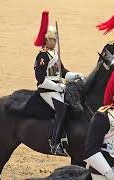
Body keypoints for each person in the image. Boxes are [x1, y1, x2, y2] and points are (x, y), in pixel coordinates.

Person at [33, 11, 83, 155]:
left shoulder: (54, 54)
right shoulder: (42, 55)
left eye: (55, 40)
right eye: (52, 40)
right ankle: (54, 142)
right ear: (46, 40)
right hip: (47, 90)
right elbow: (40, 78)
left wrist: (75, 75)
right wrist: (57, 87)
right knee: (62, 110)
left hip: (57, 88)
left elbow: (63, 72)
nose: (54, 42)